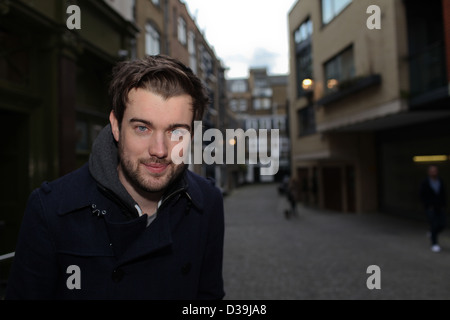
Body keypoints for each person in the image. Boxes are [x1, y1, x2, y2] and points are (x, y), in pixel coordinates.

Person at [5, 55, 225, 299]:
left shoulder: (207, 201)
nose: (160, 150)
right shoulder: (51, 208)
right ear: (116, 126)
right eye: (142, 128)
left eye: (176, 131)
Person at [420, 165, 447, 253]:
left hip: (440, 207)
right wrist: (427, 205)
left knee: (442, 224)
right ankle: (434, 243)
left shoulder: (440, 181)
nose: (434, 172)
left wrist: (444, 205)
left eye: (435, 171)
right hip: (430, 208)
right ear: (429, 172)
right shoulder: (425, 182)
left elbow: (443, 194)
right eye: (432, 171)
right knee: (434, 224)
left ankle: (432, 233)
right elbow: (422, 195)